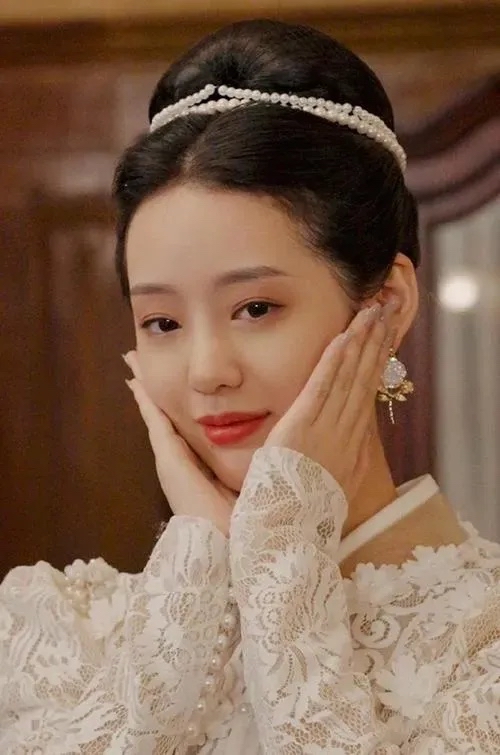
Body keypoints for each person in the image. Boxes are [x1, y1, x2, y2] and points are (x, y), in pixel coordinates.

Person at [1, 18, 499, 754]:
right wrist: (205, 555)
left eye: (256, 308)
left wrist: (280, 553)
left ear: (387, 305)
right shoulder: (55, 630)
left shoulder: (483, 638)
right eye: (162, 322)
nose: (207, 371)